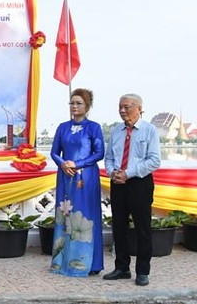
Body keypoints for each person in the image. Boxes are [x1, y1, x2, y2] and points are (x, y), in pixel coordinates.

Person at [103, 93, 161, 286]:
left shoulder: (149, 130)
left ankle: (143, 271)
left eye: (127, 106)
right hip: (118, 183)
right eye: (120, 107)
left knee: (142, 228)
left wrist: (128, 173)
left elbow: (154, 160)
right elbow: (109, 157)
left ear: (139, 108)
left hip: (139, 183)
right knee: (119, 226)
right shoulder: (116, 131)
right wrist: (113, 173)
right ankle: (122, 267)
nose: (122, 110)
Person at [49, 88, 105, 277]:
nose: (74, 106)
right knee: (65, 215)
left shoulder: (94, 127)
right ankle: (61, 261)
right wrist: (63, 164)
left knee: (86, 216)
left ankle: (88, 263)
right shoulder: (62, 127)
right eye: (72, 103)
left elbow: (99, 153)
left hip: (85, 178)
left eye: (78, 103)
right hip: (65, 176)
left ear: (87, 106)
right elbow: (54, 152)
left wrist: (77, 163)